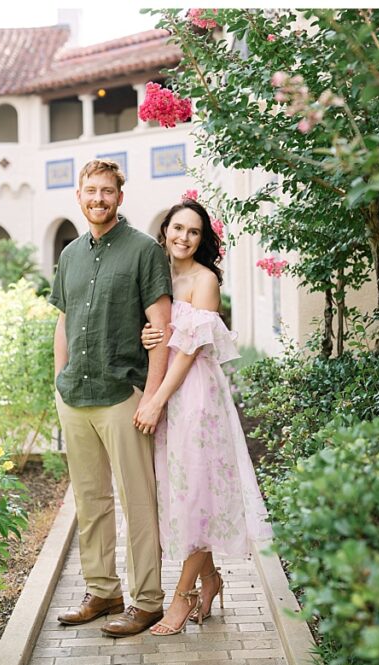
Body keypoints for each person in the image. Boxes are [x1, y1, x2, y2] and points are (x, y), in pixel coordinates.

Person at [135, 197, 272, 636]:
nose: (184, 237)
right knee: (184, 494)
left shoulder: (204, 280)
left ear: (203, 239)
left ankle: (182, 596)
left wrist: (157, 400)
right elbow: (155, 332)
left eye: (194, 232)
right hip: (167, 394)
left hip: (193, 397)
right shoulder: (158, 276)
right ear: (165, 230)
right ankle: (211, 580)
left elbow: (189, 351)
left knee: (195, 492)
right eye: (178, 228)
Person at [51, 159, 172, 637]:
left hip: (124, 393)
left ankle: (147, 601)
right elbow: (63, 319)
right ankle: (102, 590)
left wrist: (153, 398)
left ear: (120, 197)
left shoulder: (144, 251)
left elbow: (160, 329)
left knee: (137, 502)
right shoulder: (70, 255)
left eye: (107, 191)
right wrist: (58, 380)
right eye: (90, 191)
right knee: (90, 500)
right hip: (75, 394)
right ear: (79, 197)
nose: (98, 198)